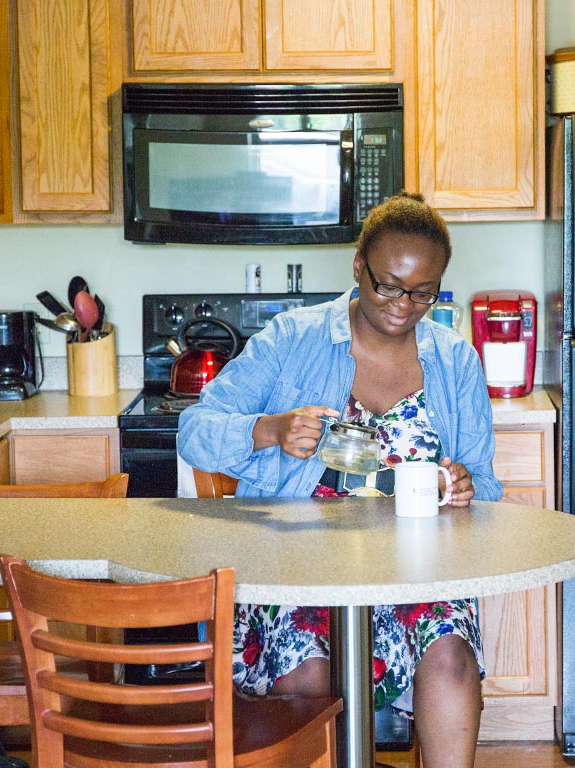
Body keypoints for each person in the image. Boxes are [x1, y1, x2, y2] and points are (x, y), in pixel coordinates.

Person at [177, 191, 502, 768]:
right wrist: (269, 430)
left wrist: (467, 486)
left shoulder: (455, 361)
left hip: (419, 568)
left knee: (451, 658)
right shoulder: (290, 340)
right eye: (388, 285)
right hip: (295, 563)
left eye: (422, 292)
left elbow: (488, 489)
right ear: (358, 267)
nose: (404, 305)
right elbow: (194, 430)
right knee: (308, 669)